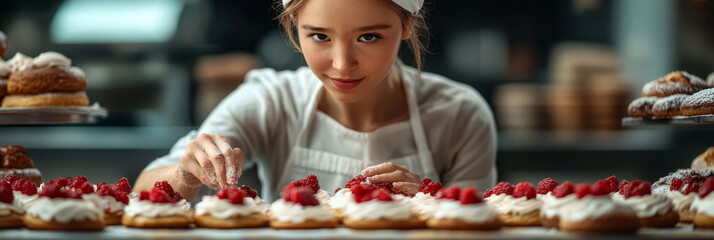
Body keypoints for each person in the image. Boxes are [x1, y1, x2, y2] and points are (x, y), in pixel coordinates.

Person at [135, 0, 497, 202]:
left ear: (407, 25)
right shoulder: (271, 100)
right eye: (320, 36)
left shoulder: (460, 115)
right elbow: (143, 190)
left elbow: (482, 226)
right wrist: (185, 172)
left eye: (368, 37)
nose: (342, 63)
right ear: (294, 27)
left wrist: (428, 203)